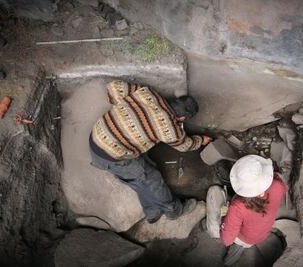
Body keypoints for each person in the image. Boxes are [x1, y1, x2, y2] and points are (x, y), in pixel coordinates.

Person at [89, 79, 212, 224]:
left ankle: (152, 212)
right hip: (110, 156)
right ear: (182, 118)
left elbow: (114, 86)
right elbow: (185, 146)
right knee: (152, 179)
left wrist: (125, 112)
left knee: (141, 175)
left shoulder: (148, 93)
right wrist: (201, 140)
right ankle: (174, 211)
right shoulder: (169, 129)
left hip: (97, 134)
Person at [206, 155, 287, 266]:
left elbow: (227, 240)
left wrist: (224, 219)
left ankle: (229, 261)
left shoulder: (238, 207)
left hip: (246, 239)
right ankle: (231, 259)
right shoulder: (278, 186)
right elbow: (276, 181)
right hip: (263, 232)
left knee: (214, 191)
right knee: (246, 237)